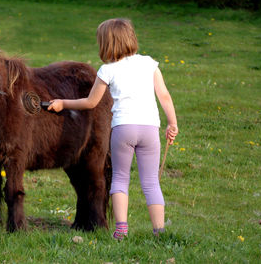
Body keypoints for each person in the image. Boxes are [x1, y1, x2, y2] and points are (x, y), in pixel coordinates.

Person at [48, 18, 178, 240]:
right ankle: (159, 231)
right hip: (149, 130)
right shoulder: (149, 64)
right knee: (150, 182)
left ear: (106, 44)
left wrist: (63, 103)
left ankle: (121, 229)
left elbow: (90, 103)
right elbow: (164, 96)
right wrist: (172, 123)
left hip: (123, 130)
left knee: (119, 179)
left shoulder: (107, 70)